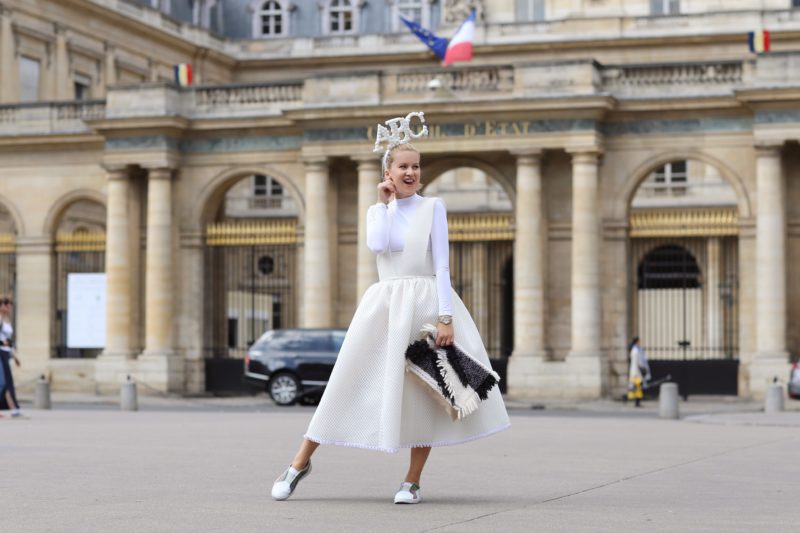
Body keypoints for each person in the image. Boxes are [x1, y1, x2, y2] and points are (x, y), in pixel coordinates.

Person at [271, 143, 510, 504]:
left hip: (426, 302)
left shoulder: (433, 207)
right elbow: (378, 246)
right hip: (385, 304)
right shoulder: (377, 212)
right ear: (388, 173)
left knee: (425, 390)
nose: (411, 173)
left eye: (416, 166)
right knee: (346, 380)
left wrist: (446, 318)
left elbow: (442, 267)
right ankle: (298, 464)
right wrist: (384, 205)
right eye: (403, 167)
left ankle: (411, 481)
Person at [0, 296, 22, 417]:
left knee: (7, 381)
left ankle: (15, 409)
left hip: (5, 353)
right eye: (7, 305)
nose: (9, 308)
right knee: (3, 382)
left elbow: (9, 341)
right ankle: (14, 408)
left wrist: (15, 356)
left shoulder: (7, 319)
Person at [627, 336, 651, 407]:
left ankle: (637, 401)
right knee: (637, 386)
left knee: (637, 386)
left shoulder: (636, 350)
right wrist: (643, 368)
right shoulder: (636, 350)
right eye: (639, 341)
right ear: (637, 341)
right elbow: (639, 361)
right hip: (637, 371)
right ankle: (637, 401)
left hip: (636, 371)